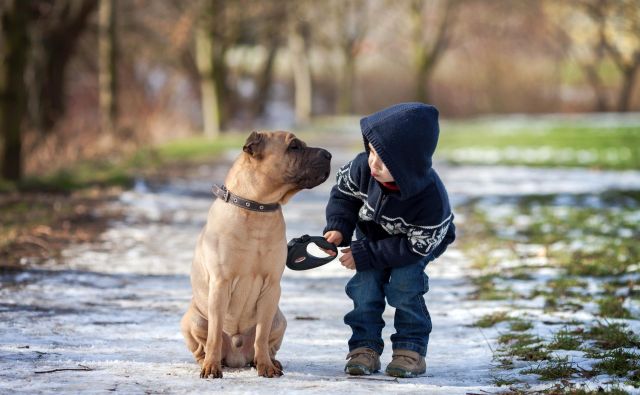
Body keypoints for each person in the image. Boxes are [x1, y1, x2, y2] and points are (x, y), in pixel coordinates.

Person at [323, 102, 455, 378]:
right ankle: (364, 347)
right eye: (370, 151)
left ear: (408, 165)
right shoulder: (362, 169)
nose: (373, 162)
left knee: (405, 283)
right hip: (374, 235)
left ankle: (411, 350)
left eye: (384, 159)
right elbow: (343, 197)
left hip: (418, 242)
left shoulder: (431, 200)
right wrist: (339, 226)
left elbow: (415, 246)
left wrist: (366, 254)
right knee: (365, 286)